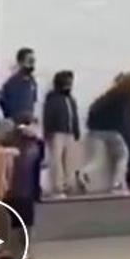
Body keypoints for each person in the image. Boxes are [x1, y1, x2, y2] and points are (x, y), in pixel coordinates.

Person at [79, 72, 130, 194]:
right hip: (113, 130)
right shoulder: (128, 97)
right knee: (123, 156)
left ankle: (84, 172)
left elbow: (94, 109)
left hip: (95, 130)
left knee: (98, 159)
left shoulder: (110, 94)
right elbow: (127, 119)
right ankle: (117, 185)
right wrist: (128, 135)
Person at [0, 114, 45, 259]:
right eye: (31, 125)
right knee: (14, 228)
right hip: (14, 192)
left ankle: (24, 258)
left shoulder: (35, 144)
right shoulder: (12, 144)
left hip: (27, 191)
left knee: (26, 227)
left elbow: (40, 162)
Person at [42, 70, 81, 198]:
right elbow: (48, 116)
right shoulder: (52, 98)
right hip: (57, 132)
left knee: (69, 161)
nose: (69, 85)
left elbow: (74, 116)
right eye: (67, 82)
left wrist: (76, 131)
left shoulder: (71, 99)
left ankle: (68, 184)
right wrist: (47, 133)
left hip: (69, 133)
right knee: (56, 161)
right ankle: (57, 187)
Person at [0, 48, 38, 121]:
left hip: (29, 124)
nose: (32, 64)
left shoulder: (32, 81)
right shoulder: (12, 83)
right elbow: (7, 106)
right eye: (30, 61)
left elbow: (33, 101)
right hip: (17, 124)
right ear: (21, 62)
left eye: (33, 61)